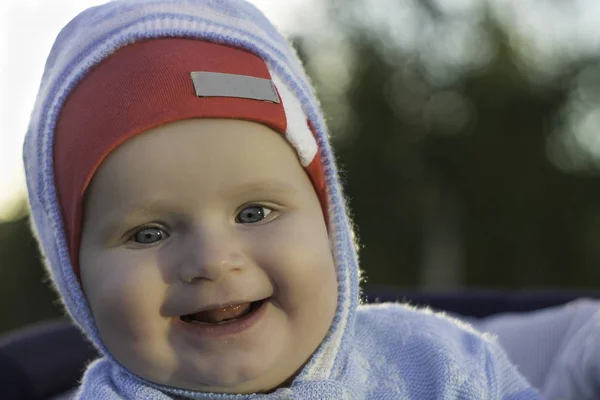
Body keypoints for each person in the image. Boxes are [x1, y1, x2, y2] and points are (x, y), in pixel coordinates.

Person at [22, 0, 540, 398]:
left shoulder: (440, 365)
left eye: (254, 212)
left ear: (329, 223)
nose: (212, 261)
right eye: (148, 233)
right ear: (75, 276)